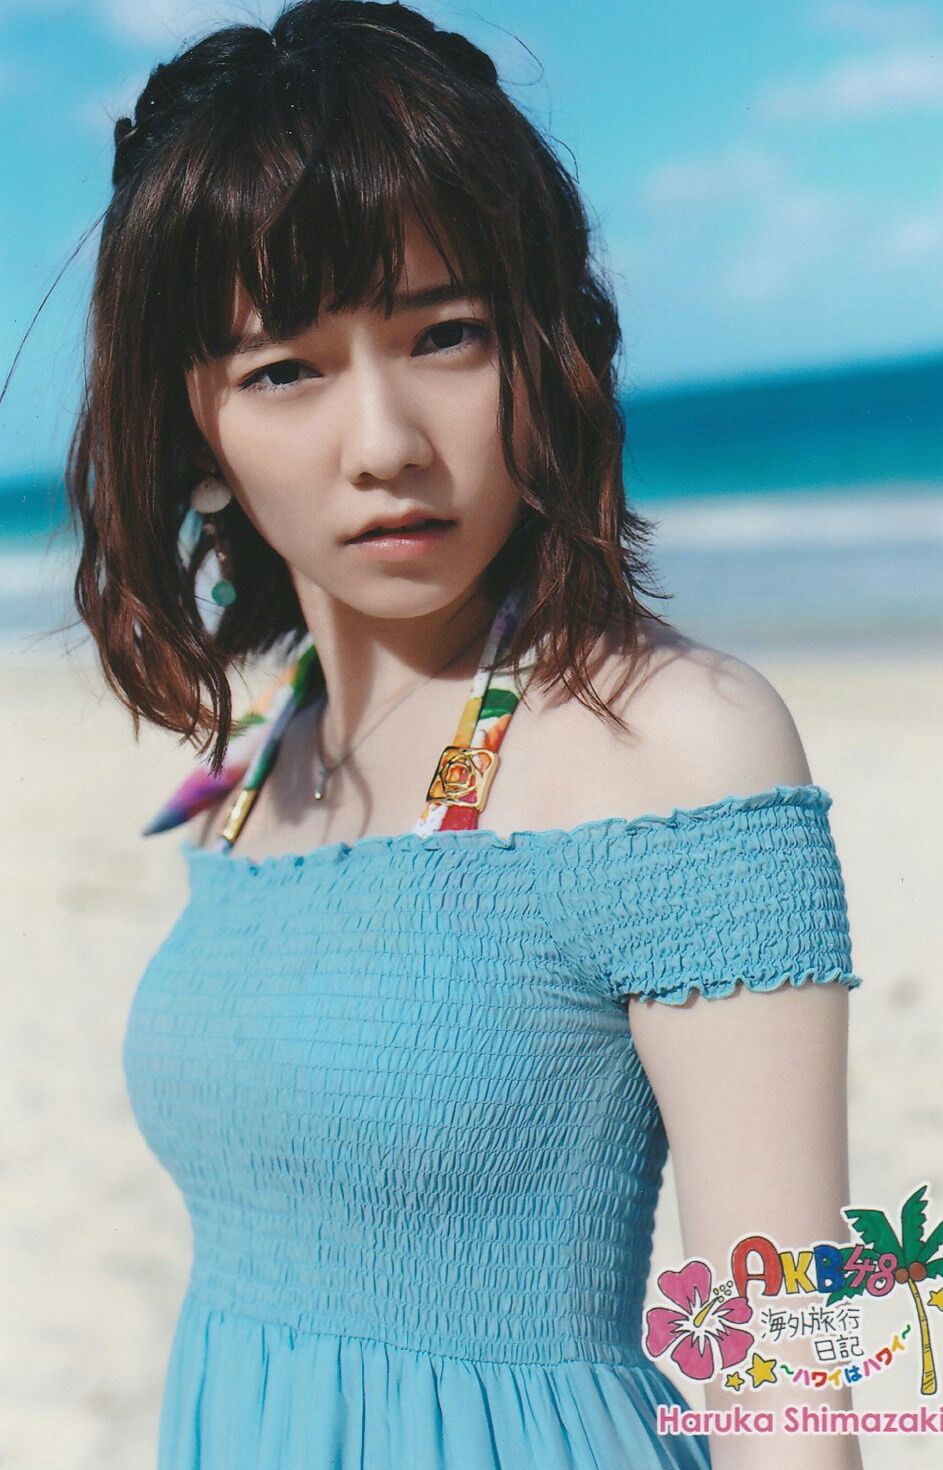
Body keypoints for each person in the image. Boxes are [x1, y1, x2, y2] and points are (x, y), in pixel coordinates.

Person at [66, 3, 863, 1466]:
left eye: (446, 336)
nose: (386, 443)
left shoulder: (684, 741)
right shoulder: (254, 749)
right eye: (284, 368)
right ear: (194, 427)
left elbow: (800, 1371)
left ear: (540, 349)